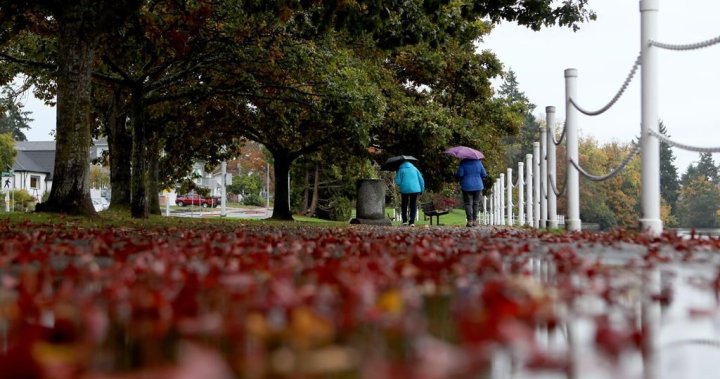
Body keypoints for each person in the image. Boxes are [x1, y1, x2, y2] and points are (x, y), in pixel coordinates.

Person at [456, 158, 488, 227]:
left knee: (468, 203)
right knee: (476, 203)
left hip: (466, 185)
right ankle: (474, 221)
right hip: (478, 186)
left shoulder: (463, 162)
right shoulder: (478, 162)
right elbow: (484, 174)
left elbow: (460, 174)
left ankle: (470, 221)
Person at [395, 161, 425, 226]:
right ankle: (412, 222)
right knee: (413, 205)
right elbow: (421, 180)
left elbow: (397, 182)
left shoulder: (401, 169)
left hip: (404, 189)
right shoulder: (415, 169)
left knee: (404, 205)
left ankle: (405, 221)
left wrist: (397, 174)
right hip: (415, 189)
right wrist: (422, 190)